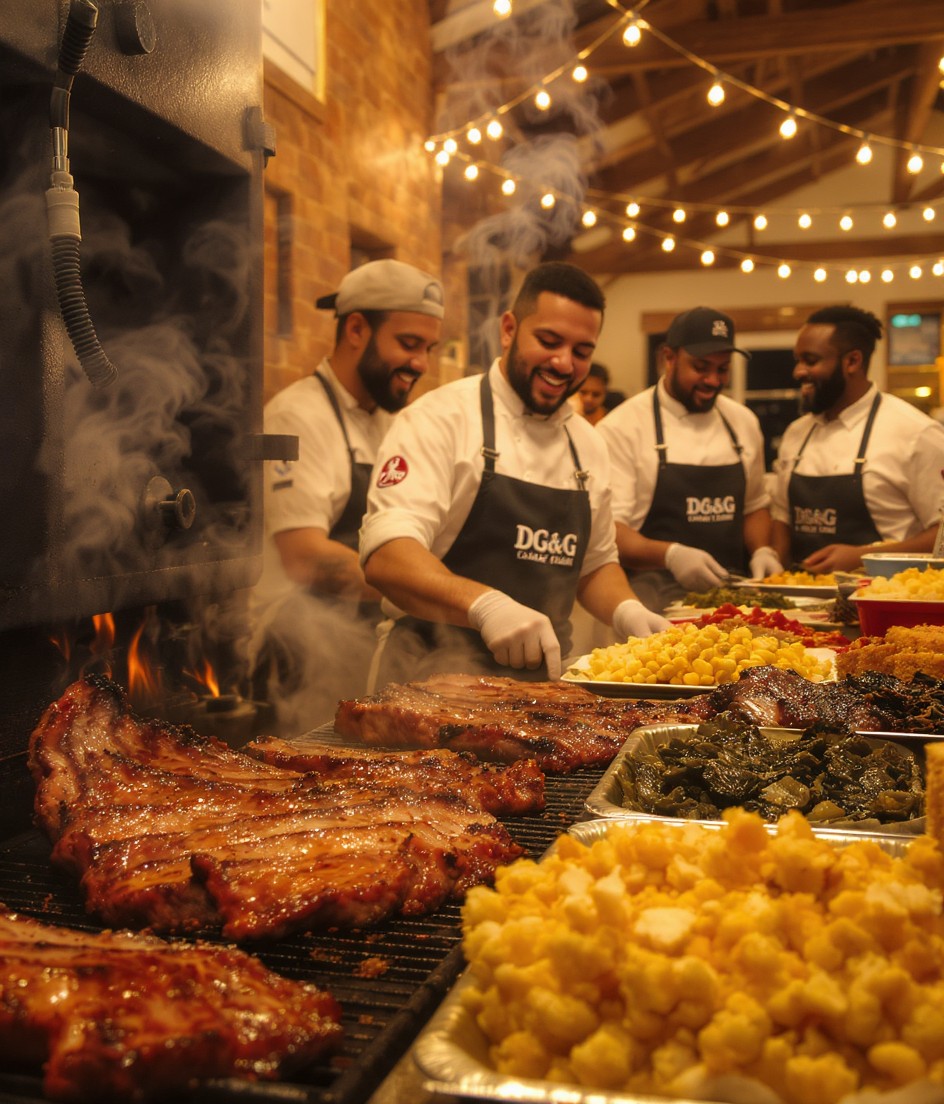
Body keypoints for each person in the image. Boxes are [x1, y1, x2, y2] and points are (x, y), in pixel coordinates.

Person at [359, 261, 669, 686]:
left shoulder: (588, 443)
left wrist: (628, 611)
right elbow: (388, 556)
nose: (563, 363)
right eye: (549, 340)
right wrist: (485, 605)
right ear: (509, 329)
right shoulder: (439, 418)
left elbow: (595, 565)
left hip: (546, 689)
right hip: (424, 680)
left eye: (582, 351)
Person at [250, 258, 444, 729]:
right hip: (294, 650)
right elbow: (303, 557)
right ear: (356, 328)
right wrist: (430, 592)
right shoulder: (296, 417)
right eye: (409, 344)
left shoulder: (395, 422)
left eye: (429, 348)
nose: (421, 363)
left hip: (365, 641)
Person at [597, 306, 782, 612]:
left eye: (722, 369)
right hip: (651, 603)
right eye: (700, 367)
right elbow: (610, 531)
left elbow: (754, 506)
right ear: (668, 358)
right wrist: (672, 554)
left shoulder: (743, 422)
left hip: (732, 602)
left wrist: (763, 549)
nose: (712, 379)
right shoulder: (623, 428)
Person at [771, 305, 944, 573]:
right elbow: (782, 517)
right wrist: (772, 568)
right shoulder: (797, 433)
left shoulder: (916, 434)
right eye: (798, 360)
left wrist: (865, 556)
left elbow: (942, 535)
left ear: (852, 361)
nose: (798, 372)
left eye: (811, 360)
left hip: (884, 602)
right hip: (798, 606)